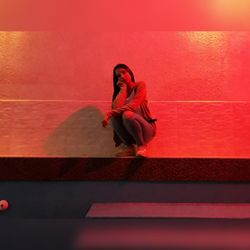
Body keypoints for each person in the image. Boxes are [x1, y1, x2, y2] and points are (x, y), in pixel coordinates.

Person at [102, 64, 157, 157]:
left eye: (124, 72)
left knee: (127, 114)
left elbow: (133, 106)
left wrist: (110, 113)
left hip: (147, 129)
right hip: (130, 132)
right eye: (118, 76)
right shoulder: (120, 93)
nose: (122, 76)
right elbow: (116, 111)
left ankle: (141, 146)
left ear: (130, 73)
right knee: (115, 117)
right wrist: (123, 89)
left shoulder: (140, 85)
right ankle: (129, 147)